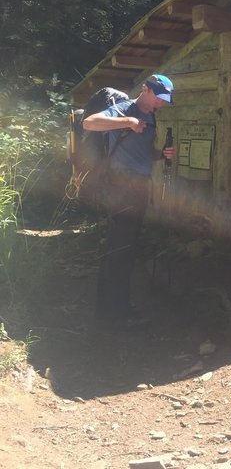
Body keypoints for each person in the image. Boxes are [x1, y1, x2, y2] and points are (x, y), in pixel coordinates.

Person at [82, 74, 175, 328]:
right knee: (119, 249)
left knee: (126, 248)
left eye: (165, 101)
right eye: (159, 98)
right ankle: (112, 313)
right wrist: (127, 121)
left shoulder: (151, 116)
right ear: (145, 89)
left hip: (138, 188)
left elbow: (140, 153)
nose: (162, 104)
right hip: (121, 187)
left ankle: (117, 307)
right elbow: (89, 122)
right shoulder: (125, 108)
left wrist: (161, 154)